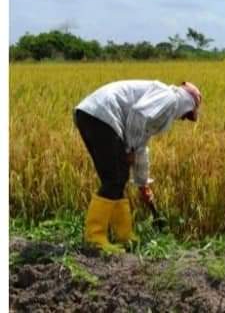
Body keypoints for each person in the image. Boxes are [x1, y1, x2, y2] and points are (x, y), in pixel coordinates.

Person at [74, 80, 202, 252]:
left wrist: (143, 183)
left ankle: (124, 236)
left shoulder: (163, 106)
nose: (183, 118)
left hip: (93, 114)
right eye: (187, 114)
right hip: (102, 115)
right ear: (187, 103)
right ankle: (95, 239)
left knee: (118, 178)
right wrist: (129, 148)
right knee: (115, 179)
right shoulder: (169, 98)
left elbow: (141, 144)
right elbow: (138, 115)